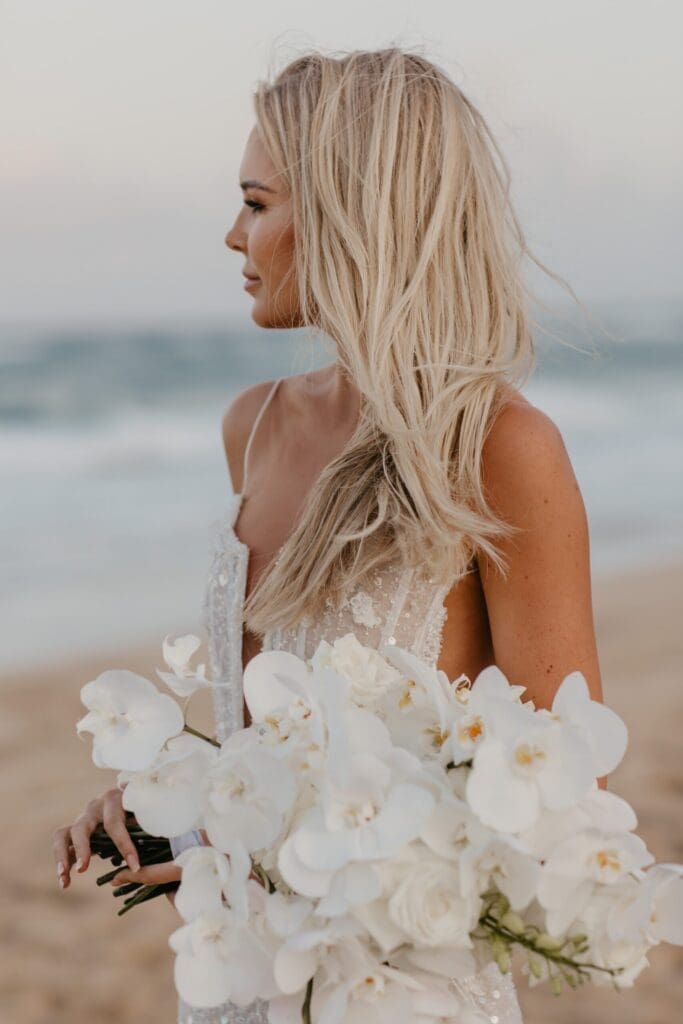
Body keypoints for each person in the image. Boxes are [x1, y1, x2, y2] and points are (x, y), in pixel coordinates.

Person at [52, 47, 605, 1023]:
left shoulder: (498, 449)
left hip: (403, 988)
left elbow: (559, 798)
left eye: (257, 204)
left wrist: (269, 848)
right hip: (242, 984)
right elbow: (264, 736)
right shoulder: (252, 427)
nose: (233, 235)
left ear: (353, 216)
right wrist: (171, 802)